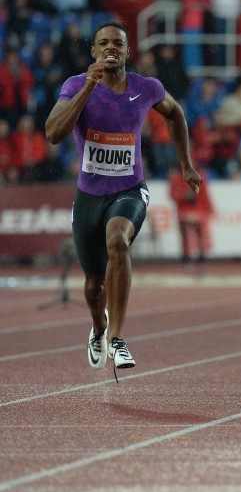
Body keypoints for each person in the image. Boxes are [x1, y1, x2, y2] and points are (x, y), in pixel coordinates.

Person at [45, 22, 202, 377]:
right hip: (89, 195)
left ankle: (116, 336)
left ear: (129, 51)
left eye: (118, 43)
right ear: (94, 52)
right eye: (104, 43)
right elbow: (54, 133)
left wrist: (186, 165)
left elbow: (175, 113)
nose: (111, 48)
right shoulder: (74, 85)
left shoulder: (146, 88)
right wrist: (88, 85)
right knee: (93, 284)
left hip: (130, 189)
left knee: (117, 241)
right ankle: (99, 329)